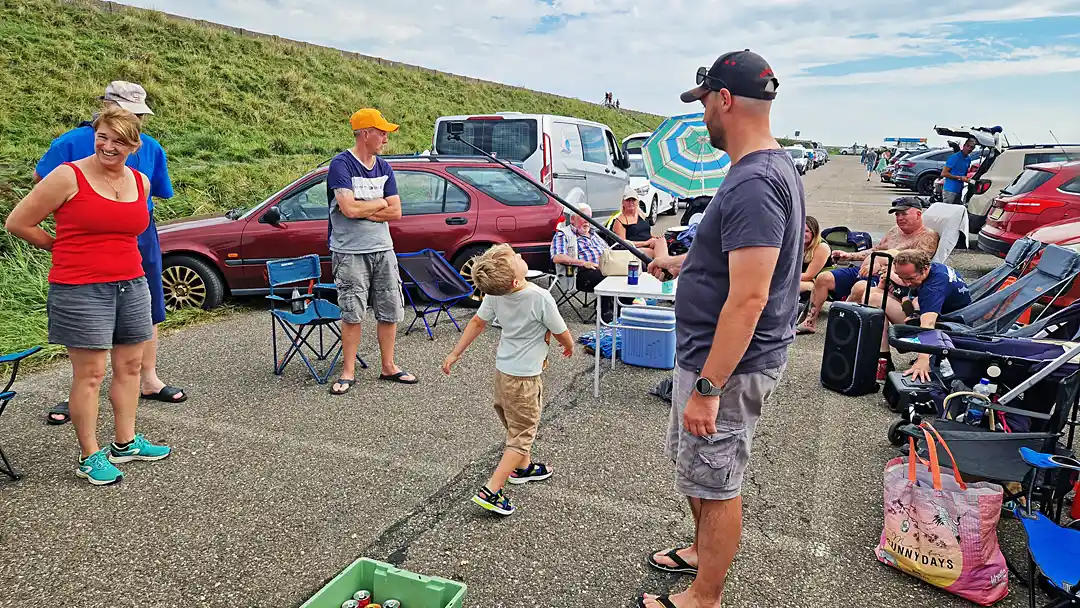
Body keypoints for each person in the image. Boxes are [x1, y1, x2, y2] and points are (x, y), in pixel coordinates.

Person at [641, 49, 804, 608]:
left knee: (716, 480)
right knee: (698, 474)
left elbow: (751, 296)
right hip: (713, 358)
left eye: (705, 101)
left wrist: (709, 390)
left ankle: (704, 595)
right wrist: (685, 266)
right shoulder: (764, 169)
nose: (703, 114)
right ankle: (698, 552)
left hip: (727, 367)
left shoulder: (754, 182)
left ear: (725, 99)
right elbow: (745, 264)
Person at [5, 107, 172, 485]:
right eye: (102, 136)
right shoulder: (69, 175)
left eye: (118, 140)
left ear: (134, 144)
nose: (108, 146)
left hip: (132, 283)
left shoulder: (140, 182)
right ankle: (89, 455)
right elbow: (18, 222)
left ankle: (125, 443)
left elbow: (131, 230)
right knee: (91, 374)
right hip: (80, 287)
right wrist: (58, 246)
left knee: (130, 367)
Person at [34, 81, 184, 425]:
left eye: (138, 114)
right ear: (105, 107)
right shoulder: (71, 142)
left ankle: (148, 378)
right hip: (86, 242)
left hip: (138, 235)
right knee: (88, 327)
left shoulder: (148, 145)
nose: (133, 120)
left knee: (146, 309)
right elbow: (40, 186)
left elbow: (157, 189)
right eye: (126, 111)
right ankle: (77, 397)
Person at [441, 244, 574, 516]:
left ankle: (523, 468)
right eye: (517, 259)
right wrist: (568, 344)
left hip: (503, 374)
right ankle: (491, 489)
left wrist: (455, 353)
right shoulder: (539, 297)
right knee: (523, 434)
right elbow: (560, 330)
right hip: (525, 379)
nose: (521, 257)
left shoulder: (495, 293)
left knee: (515, 426)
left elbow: (478, 323)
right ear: (515, 279)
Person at [325, 108, 416, 395]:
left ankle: (388, 366)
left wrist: (366, 206)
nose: (386, 138)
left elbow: (397, 211)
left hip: (383, 249)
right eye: (381, 132)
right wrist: (379, 203)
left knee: (389, 310)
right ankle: (348, 371)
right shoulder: (341, 165)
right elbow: (348, 209)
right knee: (352, 312)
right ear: (365, 134)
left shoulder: (384, 167)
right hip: (350, 253)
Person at [798, 197, 939, 336]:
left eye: (904, 214)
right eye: (897, 214)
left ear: (918, 214)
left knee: (860, 287)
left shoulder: (927, 236)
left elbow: (916, 263)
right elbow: (875, 249)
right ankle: (809, 322)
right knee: (824, 278)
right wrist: (850, 255)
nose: (899, 218)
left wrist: (881, 263)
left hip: (888, 278)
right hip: (865, 269)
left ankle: (840, 325)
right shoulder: (895, 231)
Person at [864, 249, 970, 382]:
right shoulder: (936, 268)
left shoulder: (933, 288)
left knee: (875, 300)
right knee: (872, 293)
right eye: (900, 277)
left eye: (910, 278)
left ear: (925, 269)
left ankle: (884, 361)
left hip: (947, 332)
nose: (906, 283)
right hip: (946, 318)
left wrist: (923, 360)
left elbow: (928, 324)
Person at [550, 201, 615, 322]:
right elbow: (557, 257)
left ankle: (623, 308)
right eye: (583, 217)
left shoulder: (594, 234)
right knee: (604, 276)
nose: (587, 221)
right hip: (578, 273)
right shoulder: (563, 234)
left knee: (629, 269)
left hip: (604, 267)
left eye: (589, 218)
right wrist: (584, 263)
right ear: (573, 219)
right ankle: (605, 313)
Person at [611, 186, 655, 257]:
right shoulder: (620, 221)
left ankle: (669, 265)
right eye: (628, 200)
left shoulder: (642, 216)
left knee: (662, 243)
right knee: (654, 253)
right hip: (634, 249)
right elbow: (623, 244)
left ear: (637, 201)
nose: (631, 202)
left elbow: (646, 233)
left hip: (649, 244)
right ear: (623, 202)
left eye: (633, 200)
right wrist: (645, 243)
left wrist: (655, 238)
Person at [941, 137, 977, 205]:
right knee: (947, 211)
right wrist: (960, 178)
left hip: (959, 190)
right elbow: (944, 173)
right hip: (950, 190)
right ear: (964, 146)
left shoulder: (968, 159)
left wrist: (967, 179)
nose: (969, 148)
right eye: (968, 146)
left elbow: (964, 174)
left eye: (971, 147)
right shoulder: (954, 157)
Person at [800, 216, 830, 295]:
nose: (802, 233)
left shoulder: (822, 247)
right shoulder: (796, 244)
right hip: (799, 278)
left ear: (814, 233)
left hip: (815, 283)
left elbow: (808, 276)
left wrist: (783, 278)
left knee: (782, 286)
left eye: (806, 231)